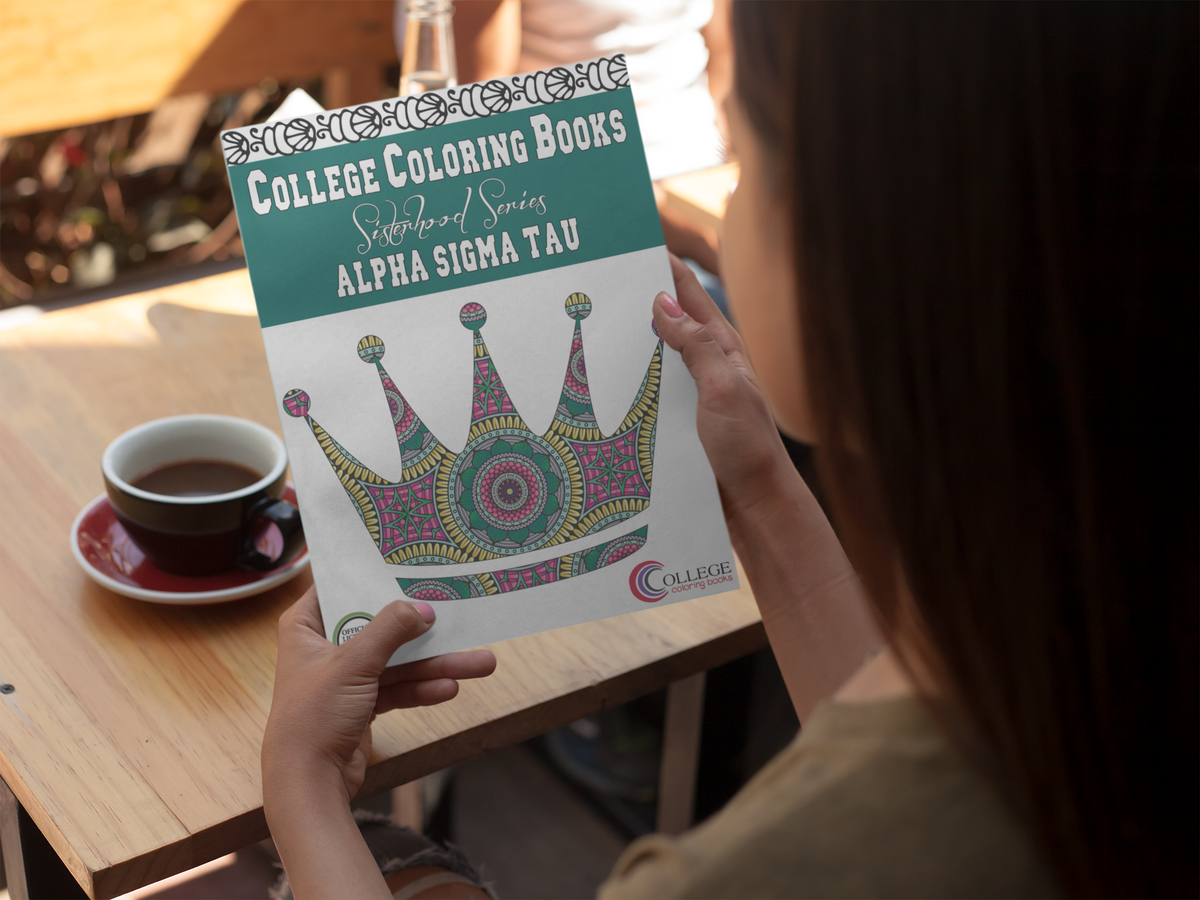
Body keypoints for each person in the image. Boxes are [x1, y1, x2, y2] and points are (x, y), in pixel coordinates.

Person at [262, 4, 1198, 898]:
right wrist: (755, 484)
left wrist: (302, 788)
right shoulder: (1081, 705)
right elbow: (891, 747)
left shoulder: (733, 882)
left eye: (742, 159)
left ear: (856, 264)